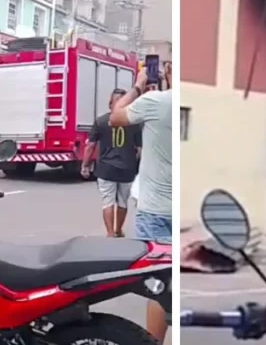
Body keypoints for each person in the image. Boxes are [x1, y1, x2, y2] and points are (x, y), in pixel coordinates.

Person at [109, 67, 172, 342]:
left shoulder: (154, 101)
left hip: (156, 211)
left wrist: (138, 85)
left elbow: (115, 116)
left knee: (161, 287)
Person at [81, 89, 141, 237]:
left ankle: (109, 233)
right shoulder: (134, 123)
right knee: (123, 201)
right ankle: (118, 230)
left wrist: (85, 165)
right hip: (127, 169)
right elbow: (139, 149)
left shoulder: (100, 121)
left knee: (107, 202)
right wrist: (135, 163)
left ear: (110, 104)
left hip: (105, 169)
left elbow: (90, 146)